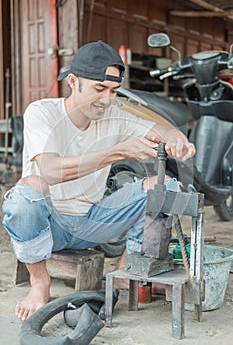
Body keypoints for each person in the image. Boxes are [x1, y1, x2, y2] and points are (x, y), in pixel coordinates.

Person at [2, 40, 195, 322]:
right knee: (28, 191)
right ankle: (39, 283)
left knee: (165, 185)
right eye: (99, 89)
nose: (106, 99)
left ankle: (125, 271)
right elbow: (51, 171)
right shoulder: (42, 112)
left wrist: (178, 140)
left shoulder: (114, 115)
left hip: (93, 222)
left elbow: (164, 129)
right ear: (73, 81)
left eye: (113, 91)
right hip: (48, 224)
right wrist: (117, 151)